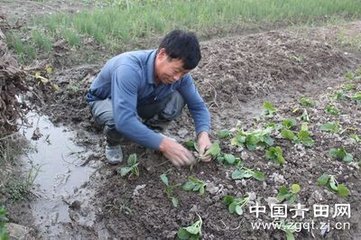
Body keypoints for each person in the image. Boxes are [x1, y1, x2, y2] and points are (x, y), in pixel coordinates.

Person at [86, 29, 212, 167]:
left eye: (184, 73)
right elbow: (124, 120)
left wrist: (203, 135)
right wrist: (164, 144)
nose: (177, 78)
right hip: (107, 101)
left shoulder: (180, 77)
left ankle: (151, 132)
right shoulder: (129, 68)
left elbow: (198, 106)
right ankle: (112, 143)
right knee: (117, 120)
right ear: (162, 54)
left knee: (179, 97)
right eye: (176, 71)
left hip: (142, 100)